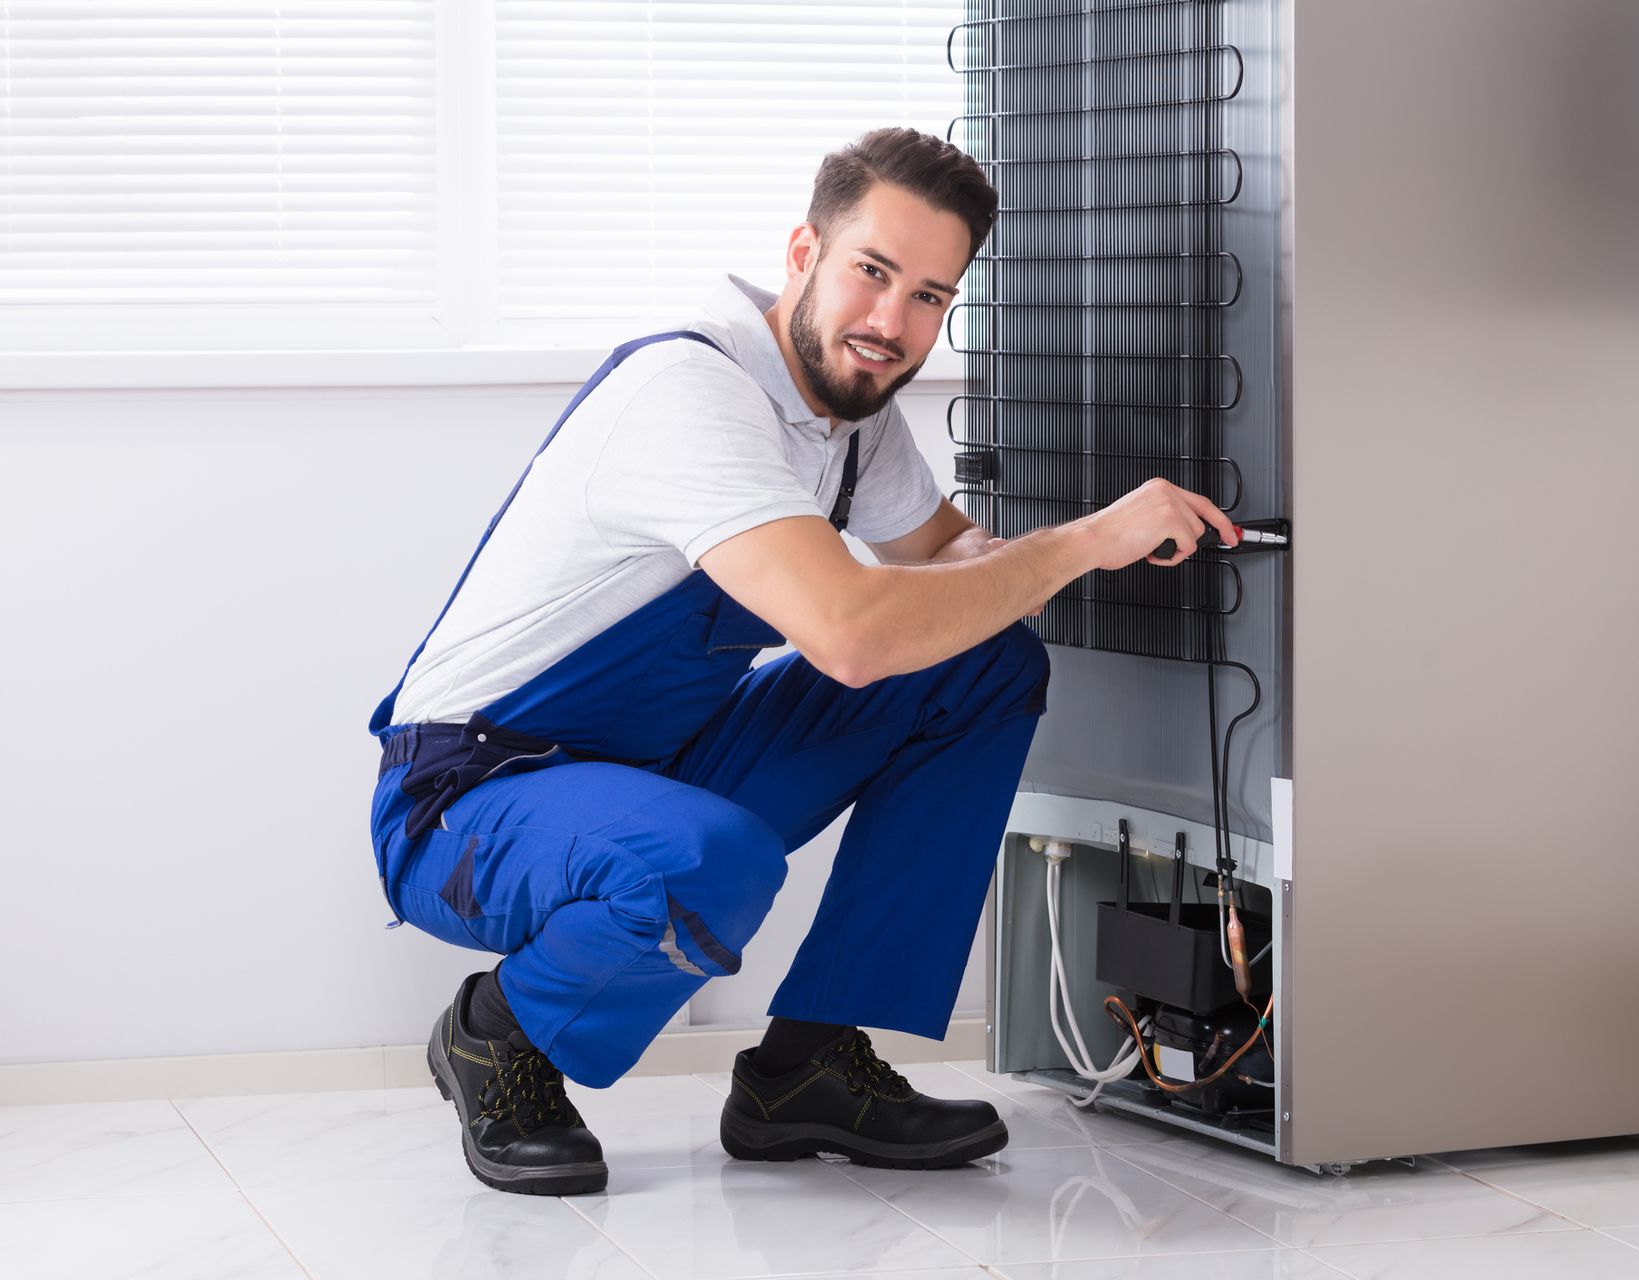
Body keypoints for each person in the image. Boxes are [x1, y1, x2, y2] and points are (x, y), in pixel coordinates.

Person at [366, 126, 1238, 1196]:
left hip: (649, 763)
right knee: (707, 855)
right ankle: (499, 1035)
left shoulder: (844, 416)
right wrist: (1081, 542)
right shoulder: (694, 392)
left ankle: (806, 1067)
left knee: (983, 664)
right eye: (873, 272)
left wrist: (1086, 546)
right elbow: (855, 633)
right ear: (802, 253)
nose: (892, 322)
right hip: (472, 792)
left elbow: (952, 560)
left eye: (929, 295)